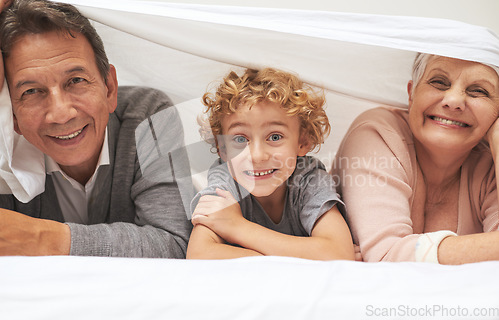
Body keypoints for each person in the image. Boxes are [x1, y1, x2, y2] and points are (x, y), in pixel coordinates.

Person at [0, 0, 192, 257]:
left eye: (76, 81)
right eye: (32, 91)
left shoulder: (147, 114)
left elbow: (174, 243)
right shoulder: (5, 150)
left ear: (109, 88)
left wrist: (41, 238)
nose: (60, 113)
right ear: (11, 114)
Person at [332, 53, 499, 264]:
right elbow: (385, 258)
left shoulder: (491, 161)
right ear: (411, 95)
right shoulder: (379, 132)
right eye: (439, 83)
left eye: (478, 91)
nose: (454, 101)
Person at [186, 68, 354, 260]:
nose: (257, 156)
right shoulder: (224, 181)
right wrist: (310, 255)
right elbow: (199, 254)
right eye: (240, 139)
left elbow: (339, 253)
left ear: (303, 142)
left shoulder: (308, 178)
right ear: (222, 149)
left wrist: (238, 227)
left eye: (274, 137)